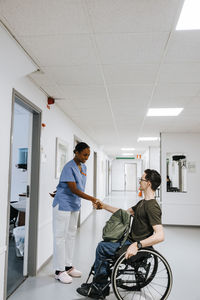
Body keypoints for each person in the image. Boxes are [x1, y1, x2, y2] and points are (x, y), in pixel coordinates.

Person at [77, 169, 164, 298]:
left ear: (149, 183)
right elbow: (123, 213)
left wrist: (138, 245)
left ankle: (99, 287)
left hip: (136, 246)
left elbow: (160, 235)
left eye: (142, 179)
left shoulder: (152, 206)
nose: (139, 181)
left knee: (102, 247)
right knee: (106, 243)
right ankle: (100, 283)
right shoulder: (142, 203)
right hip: (129, 241)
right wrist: (104, 206)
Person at [52, 142, 102, 284]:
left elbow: (76, 185)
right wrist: (93, 198)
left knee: (71, 235)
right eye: (84, 155)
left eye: (88, 155)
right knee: (60, 236)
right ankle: (59, 271)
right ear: (76, 152)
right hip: (63, 204)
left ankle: (67, 266)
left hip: (74, 204)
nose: (86, 158)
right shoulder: (69, 166)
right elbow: (73, 189)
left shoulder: (83, 167)